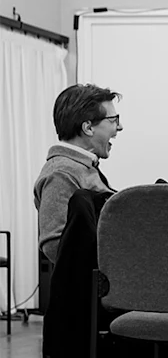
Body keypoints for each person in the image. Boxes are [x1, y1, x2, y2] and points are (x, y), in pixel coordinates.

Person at [34, 84, 122, 264]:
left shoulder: (81, 167)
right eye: (113, 120)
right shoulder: (60, 174)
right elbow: (54, 246)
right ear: (88, 128)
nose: (119, 127)